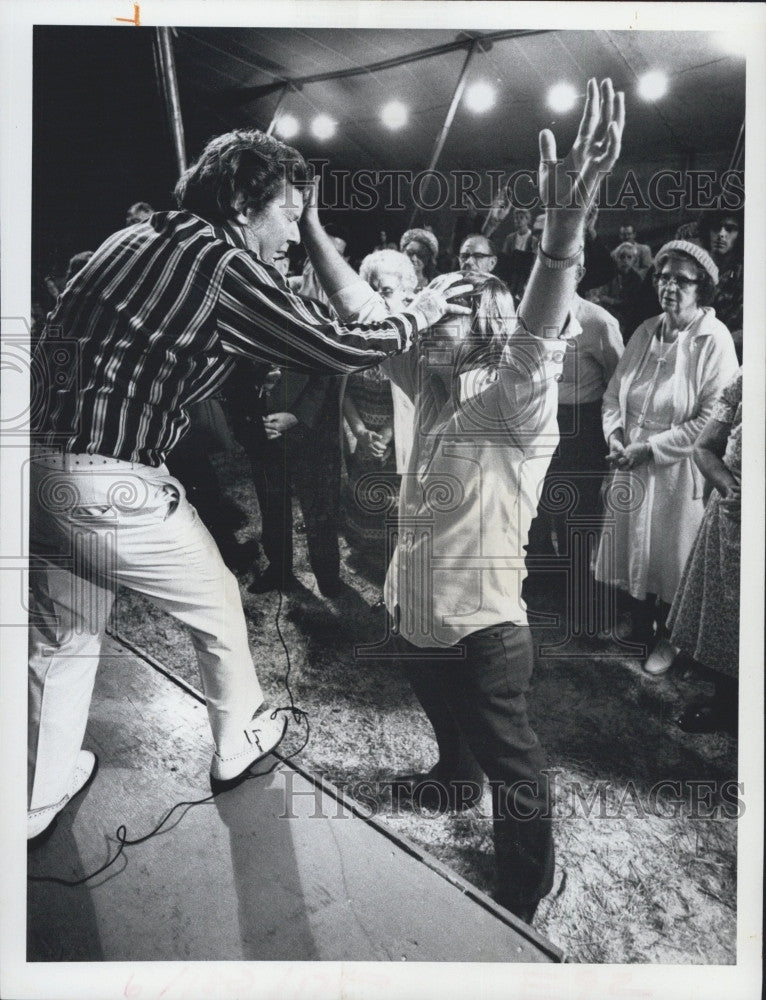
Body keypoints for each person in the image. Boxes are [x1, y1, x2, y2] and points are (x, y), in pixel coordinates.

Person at [27, 127, 471, 843]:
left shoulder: (128, 239)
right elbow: (335, 347)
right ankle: (239, 742)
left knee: (65, 634)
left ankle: (33, 796)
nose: (294, 235)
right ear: (240, 201)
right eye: (290, 214)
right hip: (105, 477)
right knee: (216, 595)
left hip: (29, 469)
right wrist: (416, 314)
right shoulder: (219, 262)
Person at [343, 79, 625, 923]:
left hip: (487, 623)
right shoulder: (430, 384)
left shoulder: (512, 403)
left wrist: (563, 231)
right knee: (434, 697)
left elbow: (538, 338)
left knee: (515, 759)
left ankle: (528, 884)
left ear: (487, 330)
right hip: (419, 600)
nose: (435, 319)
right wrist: (310, 226)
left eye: (454, 312)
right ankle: (450, 776)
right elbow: (359, 310)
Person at [594, 241, 739, 669]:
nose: (669, 285)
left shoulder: (714, 341)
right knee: (635, 547)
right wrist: (616, 436)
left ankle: (671, 640)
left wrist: (649, 449)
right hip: (631, 458)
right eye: (663, 276)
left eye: (681, 279)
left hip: (676, 466)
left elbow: (711, 422)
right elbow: (612, 396)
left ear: (702, 289)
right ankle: (639, 624)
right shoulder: (645, 329)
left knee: (672, 556)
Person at [662, 370, 742, 733]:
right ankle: (728, 704)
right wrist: (728, 484)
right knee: (732, 616)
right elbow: (704, 447)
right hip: (737, 513)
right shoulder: (748, 376)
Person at [342, 250, 418, 572]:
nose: (378, 300)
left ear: (405, 292)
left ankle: (395, 569)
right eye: (371, 291)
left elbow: (414, 397)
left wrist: (384, 436)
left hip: (397, 438)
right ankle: (368, 556)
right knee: (362, 498)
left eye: (385, 291)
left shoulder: (415, 336)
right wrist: (360, 432)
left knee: (395, 507)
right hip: (361, 435)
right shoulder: (356, 331)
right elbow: (341, 387)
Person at [698, 207, 744, 362]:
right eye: (716, 228)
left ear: (740, 235)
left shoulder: (744, 276)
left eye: (730, 229)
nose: (721, 234)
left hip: (727, 355)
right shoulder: (695, 268)